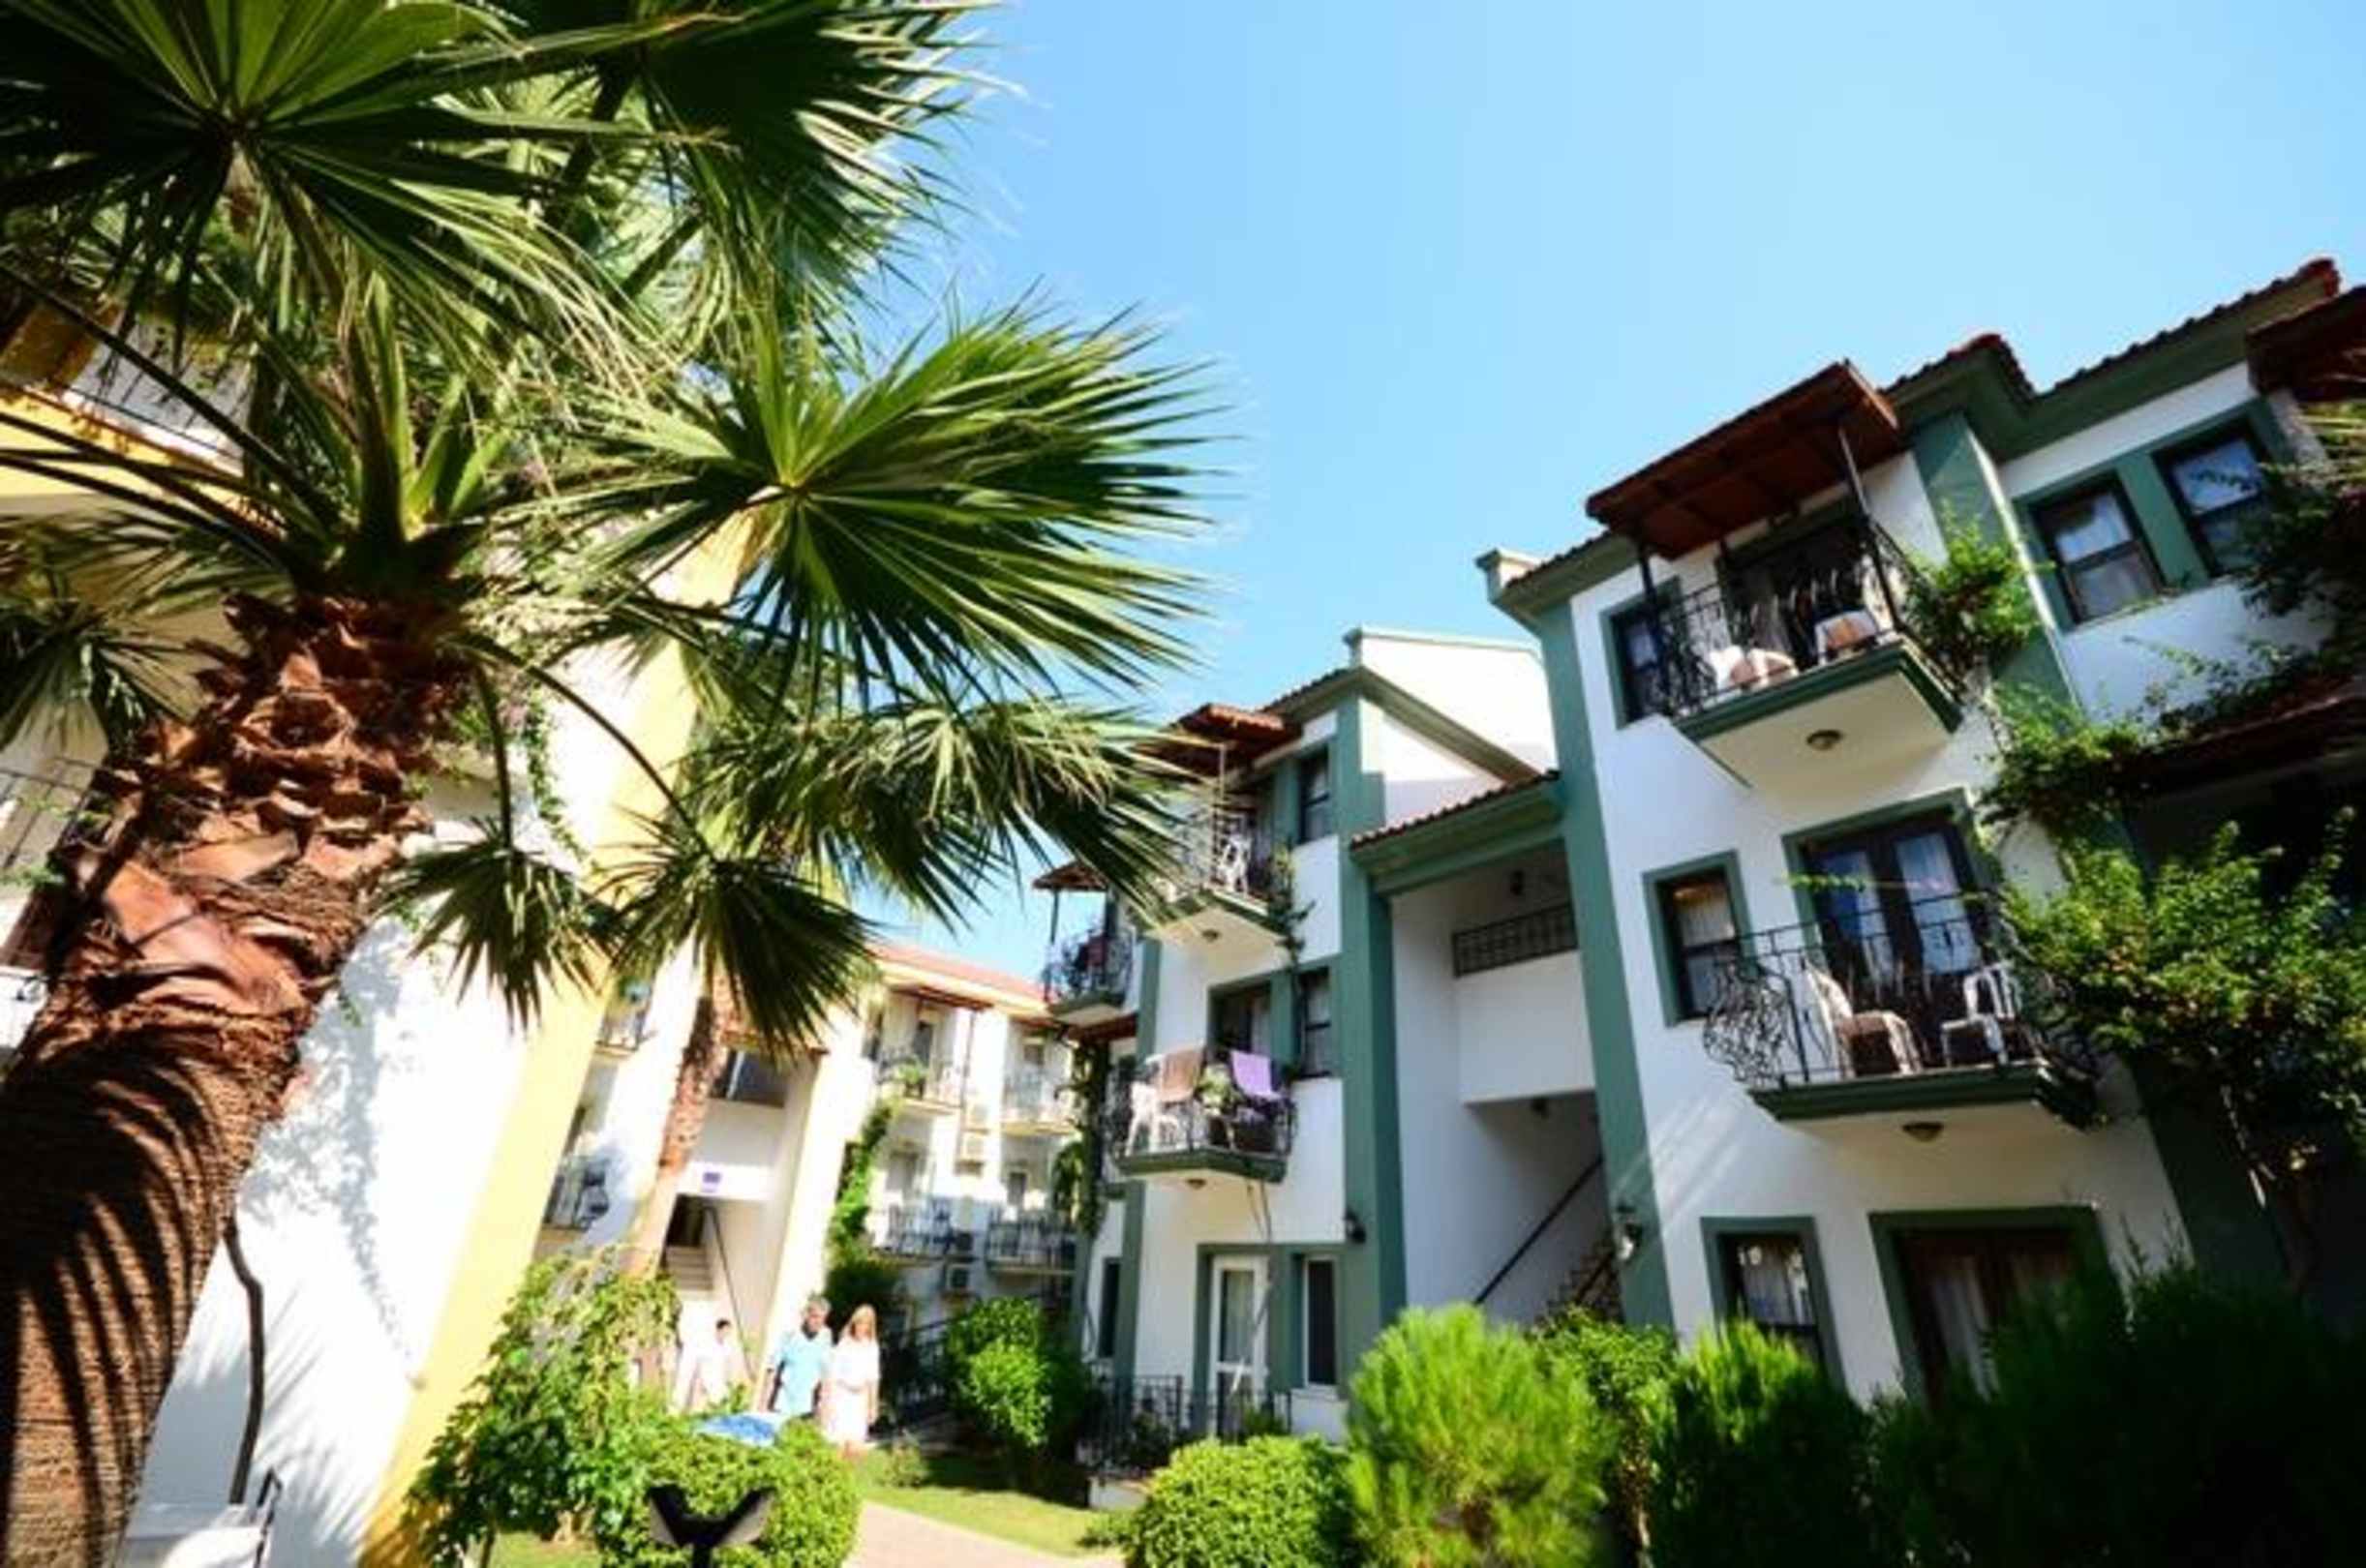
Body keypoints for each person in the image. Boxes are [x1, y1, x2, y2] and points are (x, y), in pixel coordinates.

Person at [819, 1304, 881, 1457]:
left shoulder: (872, 1347)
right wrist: (827, 1402)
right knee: (838, 1443)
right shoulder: (845, 1343)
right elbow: (833, 1374)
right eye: (860, 1322)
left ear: (870, 1326)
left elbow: (873, 1377)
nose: (862, 1327)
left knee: (855, 1447)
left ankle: (849, 1470)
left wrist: (873, 1406)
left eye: (866, 1323)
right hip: (842, 1396)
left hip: (860, 1400)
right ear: (854, 1323)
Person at [763, 1296, 834, 1419]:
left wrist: (824, 1409)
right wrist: (763, 1402)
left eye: (823, 1318)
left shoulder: (825, 1338)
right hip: (782, 1401)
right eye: (815, 1317)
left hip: (806, 1405)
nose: (818, 1322)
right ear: (806, 1315)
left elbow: (826, 1375)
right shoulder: (790, 1334)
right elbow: (772, 1367)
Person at [673, 1315, 738, 1412]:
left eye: (728, 1331)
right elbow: (702, 1364)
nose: (727, 1333)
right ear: (719, 1330)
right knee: (707, 1401)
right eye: (725, 1330)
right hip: (708, 1377)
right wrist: (701, 1381)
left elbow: (726, 1365)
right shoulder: (708, 1345)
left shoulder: (726, 1347)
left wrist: (728, 1378)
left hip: (720, 1378)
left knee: (723, 1399)